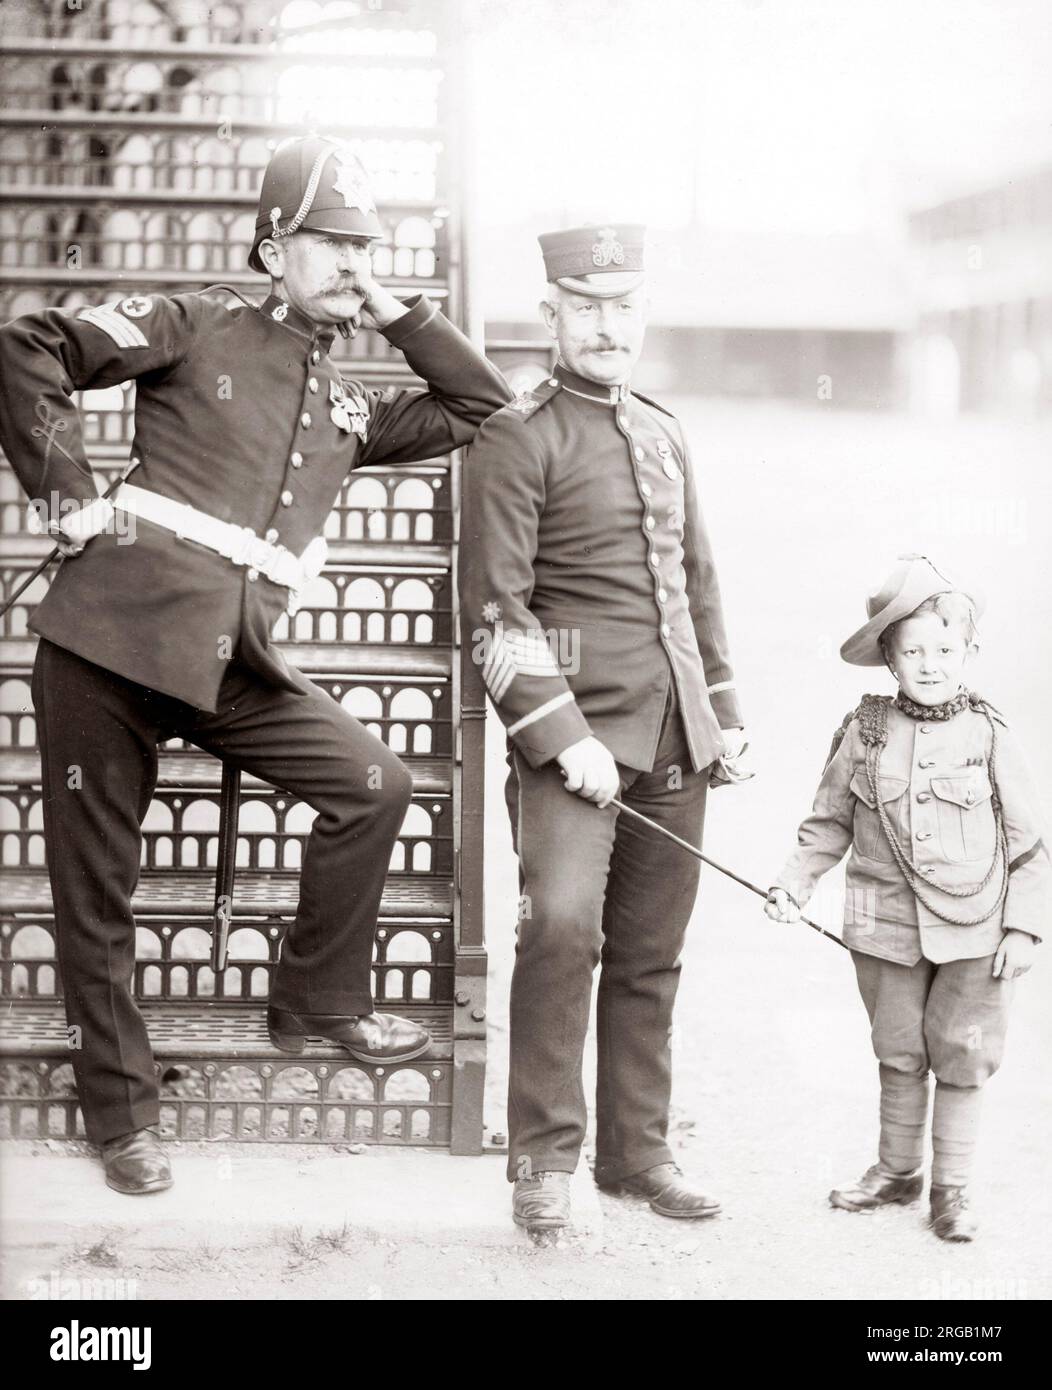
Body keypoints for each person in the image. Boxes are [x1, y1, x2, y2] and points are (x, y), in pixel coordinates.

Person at [0, 135, 511, 1194]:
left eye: (364, 246)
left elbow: (481, 408)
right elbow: (27, 344)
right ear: (273, 248)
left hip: (234, 664)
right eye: (328, 242)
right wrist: (65, 494)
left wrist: (399, 311)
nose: (348, 263)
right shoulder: (197, 321)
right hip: (105, 645)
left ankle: (314, 1000)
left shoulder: (347, 404)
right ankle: (122, 1115)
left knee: (373, 781)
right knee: (99, 890)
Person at [459, 224, 749, 1233]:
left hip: (675, 740)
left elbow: (695, 588)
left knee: (649, 951)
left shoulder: (665, 431)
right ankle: (540, 1160)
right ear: (551, 313)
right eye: (584, 306)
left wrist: (724, 712)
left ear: (642, 314)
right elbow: (495, 610)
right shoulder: (517, 432)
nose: (605, 325)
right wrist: (561, 733)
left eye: (622, 306)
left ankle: (637, 1154)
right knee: (561, 930)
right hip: (570, 746)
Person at [765, 555, 1049, 1241]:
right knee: (896, 1049)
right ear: (889, 658)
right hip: (882, 924)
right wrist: (793, 882)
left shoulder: (987, 733)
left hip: (978, 932)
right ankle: (897, 1171)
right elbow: (827, 821)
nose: (930, 663)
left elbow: (1030, 845)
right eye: (913, 649)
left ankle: (951, 1190)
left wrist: (1025, 930)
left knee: (963, 1052)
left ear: (968, 652)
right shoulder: (864, 733)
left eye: (945, 649)